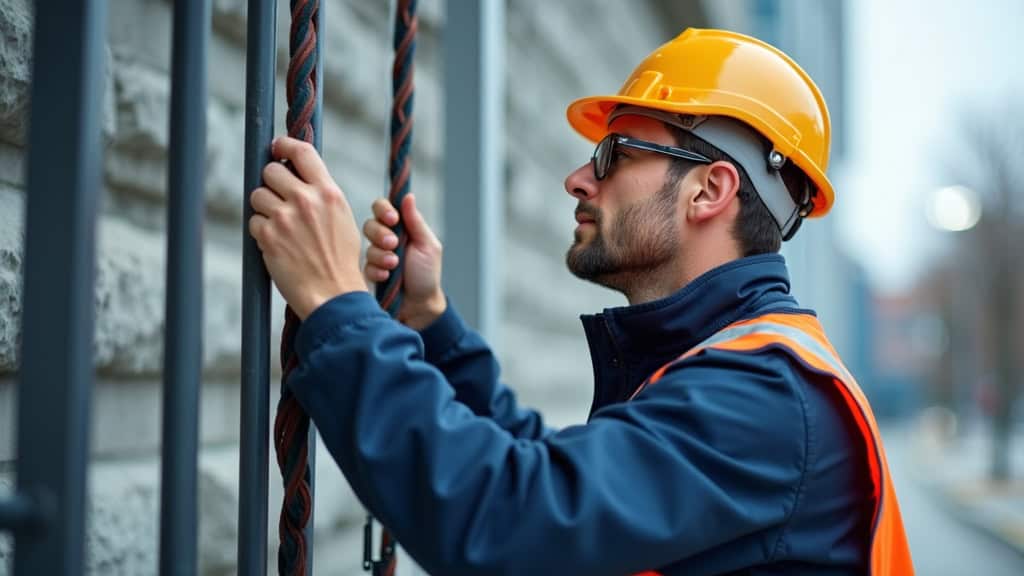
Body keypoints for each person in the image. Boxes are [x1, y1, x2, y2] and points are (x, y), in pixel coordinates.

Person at [248, 28, 913, 576]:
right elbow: (559, 480)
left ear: (709, 192)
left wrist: (338, 304)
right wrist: (433, 327)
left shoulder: (767, 397)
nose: (576, 178)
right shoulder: (729, 373)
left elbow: (515, 521)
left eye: (613, 154)